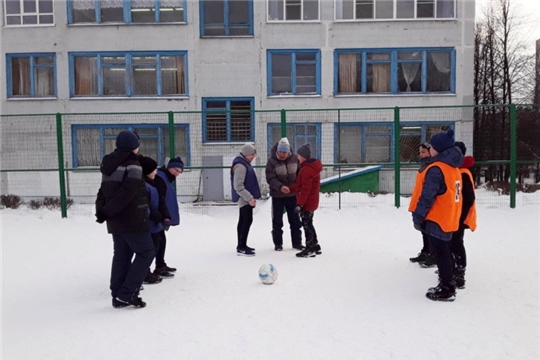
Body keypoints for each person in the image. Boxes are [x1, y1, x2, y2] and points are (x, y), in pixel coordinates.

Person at [95, 130, 155, 308]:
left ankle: (118, 294)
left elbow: (102, 191)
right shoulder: (133, 165)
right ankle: (127, 293)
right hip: (133, 218)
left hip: (115, 220)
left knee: (122, 255)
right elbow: (127, 194)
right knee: (146, 252)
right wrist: (107, 211)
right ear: (134, 147)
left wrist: (103, 211)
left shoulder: (109, 165)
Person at [408, 129, 463, 302]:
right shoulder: (453, 168)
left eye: (431, 147)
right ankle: (448, 281)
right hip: (449, 216)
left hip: (437, 218)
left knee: (441, 253)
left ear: (438, 149)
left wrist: (418, 217)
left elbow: (427, 197)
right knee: (445, 251)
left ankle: (447, 287)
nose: (429, 149)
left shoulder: (436, 169)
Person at [265, 137, 304, 251]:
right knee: (277, 221)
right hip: (278, 196)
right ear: (277, 151)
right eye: (280, 151)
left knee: (295, 220)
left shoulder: (295, 159)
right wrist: (280, 187)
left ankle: (297, 243)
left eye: (284, 152)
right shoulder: (271, 162)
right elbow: (270, 178)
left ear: (289, 151)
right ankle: (278, 244)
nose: (282, 154)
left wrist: (296, 187)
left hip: (292, 196)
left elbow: (300, 174)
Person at [289, 143, 323, 258]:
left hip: (307, 203)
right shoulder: (310, 168)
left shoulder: (306, 170)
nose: (297, 157)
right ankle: (315, 245)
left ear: (303, 156)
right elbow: (301, 185)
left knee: (306, 224)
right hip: (311, 201)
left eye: (298, 155)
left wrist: (300, 204)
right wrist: (289, 189)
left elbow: (305, 190)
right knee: (309, 223)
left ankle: (309, 248)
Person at [452, 141, 477, 289]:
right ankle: (454, 269)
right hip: (454, 215)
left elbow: (468, 197)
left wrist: (460, 218)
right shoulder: (458, 170)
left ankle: (460, 273)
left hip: (459, 216)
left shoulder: (463, 172)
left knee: (457, 243)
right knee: (452, 243)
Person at [153, 157, 184, 278]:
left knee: (161, 240)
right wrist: (163, 214)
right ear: (169, 167)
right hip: (159, 216)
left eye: (180, 172)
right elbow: (160, 199)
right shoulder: (161, 178)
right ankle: (157, 267)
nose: (177, 173)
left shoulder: (166, 178)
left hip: (161, 215)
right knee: (157, 242)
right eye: (176, 170)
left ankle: (160, 264)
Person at [231, 143, 261, 256]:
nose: (253, 156)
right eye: (251, 154)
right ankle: (241, 246)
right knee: (246, 221)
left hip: (246, 197)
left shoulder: (244, 163)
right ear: (246, 154)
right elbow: (238, 186)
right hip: (245, 198)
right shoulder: (241, 166)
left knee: (244, 220)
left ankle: (242, 244)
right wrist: (249, 198)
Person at [409, 142, 436, 268]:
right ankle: (426, 251)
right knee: (423, 231)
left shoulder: (432, 168)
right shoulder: (424, 167)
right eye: (420, 152)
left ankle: (432, 255)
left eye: (424, 152)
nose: (421, 155)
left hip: (427, 205)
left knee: (430, 232)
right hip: (420, 204)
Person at [139, 156, 164, 286]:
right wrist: (153, 213)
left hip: (155, 223)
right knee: (149, 249)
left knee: (155, 246)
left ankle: (146, 272)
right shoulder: (144, 186)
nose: (156, 172)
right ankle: (144, 273)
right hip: (148, 223)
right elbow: (144, 204)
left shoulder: (151, 183)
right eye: (153, 170)